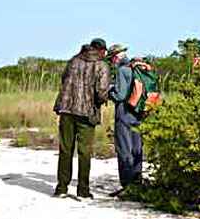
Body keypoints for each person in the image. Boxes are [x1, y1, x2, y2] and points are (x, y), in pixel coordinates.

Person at [53, 38, 110, 198]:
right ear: (102, 51)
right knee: (84, 151)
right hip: (86, 113)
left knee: (65, 149)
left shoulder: (73, 60)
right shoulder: (101, 65)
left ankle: (61, 187)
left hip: (66, 109)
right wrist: (100, 102)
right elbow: (101, 93)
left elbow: (64, 80)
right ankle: (83, 189)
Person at [107, 44, 143, 197]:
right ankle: (137, 185)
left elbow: (120, 95)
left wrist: (109, 93)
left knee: (124, 150)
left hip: (124, 114)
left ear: (115, 57)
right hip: (137, 114)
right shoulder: (136, 67)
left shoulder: (122, 70)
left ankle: (127, 187)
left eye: (112, 58)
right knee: (137, 149)